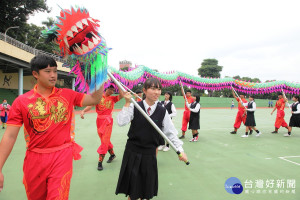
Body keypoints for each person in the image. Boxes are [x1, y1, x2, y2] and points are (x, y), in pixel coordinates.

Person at [0, 54, 104, 199]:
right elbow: (10, 136)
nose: (53, 75)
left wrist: (99, 72)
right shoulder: (21, 102)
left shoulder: (68, 95)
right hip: (34, 158)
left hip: (62, 156)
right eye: (48, 71)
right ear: (35, 74)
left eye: (55, 71)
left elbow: (95, 98)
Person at [115, 78, 188, 200]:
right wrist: (127, 102)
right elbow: (121, 122)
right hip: (132, 152)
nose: (157, 92)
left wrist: (180, 150)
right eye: (153, 88)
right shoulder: (134, 106)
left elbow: (171, 133)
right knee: (133, 192)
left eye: (159, 89)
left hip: (149, 153)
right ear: (144, 90)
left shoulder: (162, 111)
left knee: (146, 191)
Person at [80, 84, 124, 171]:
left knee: (104, 141)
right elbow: (91, 105)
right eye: (111, 90)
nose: (112, 92)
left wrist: (118, 85)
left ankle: (100, 162)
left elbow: (122, 95)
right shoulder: (99, 97)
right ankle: (112, 155)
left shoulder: (113, 99)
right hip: (99, 122)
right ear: (106, 89)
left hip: (108, 122)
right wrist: (84, 111)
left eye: (113, 90)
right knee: (104, 140)